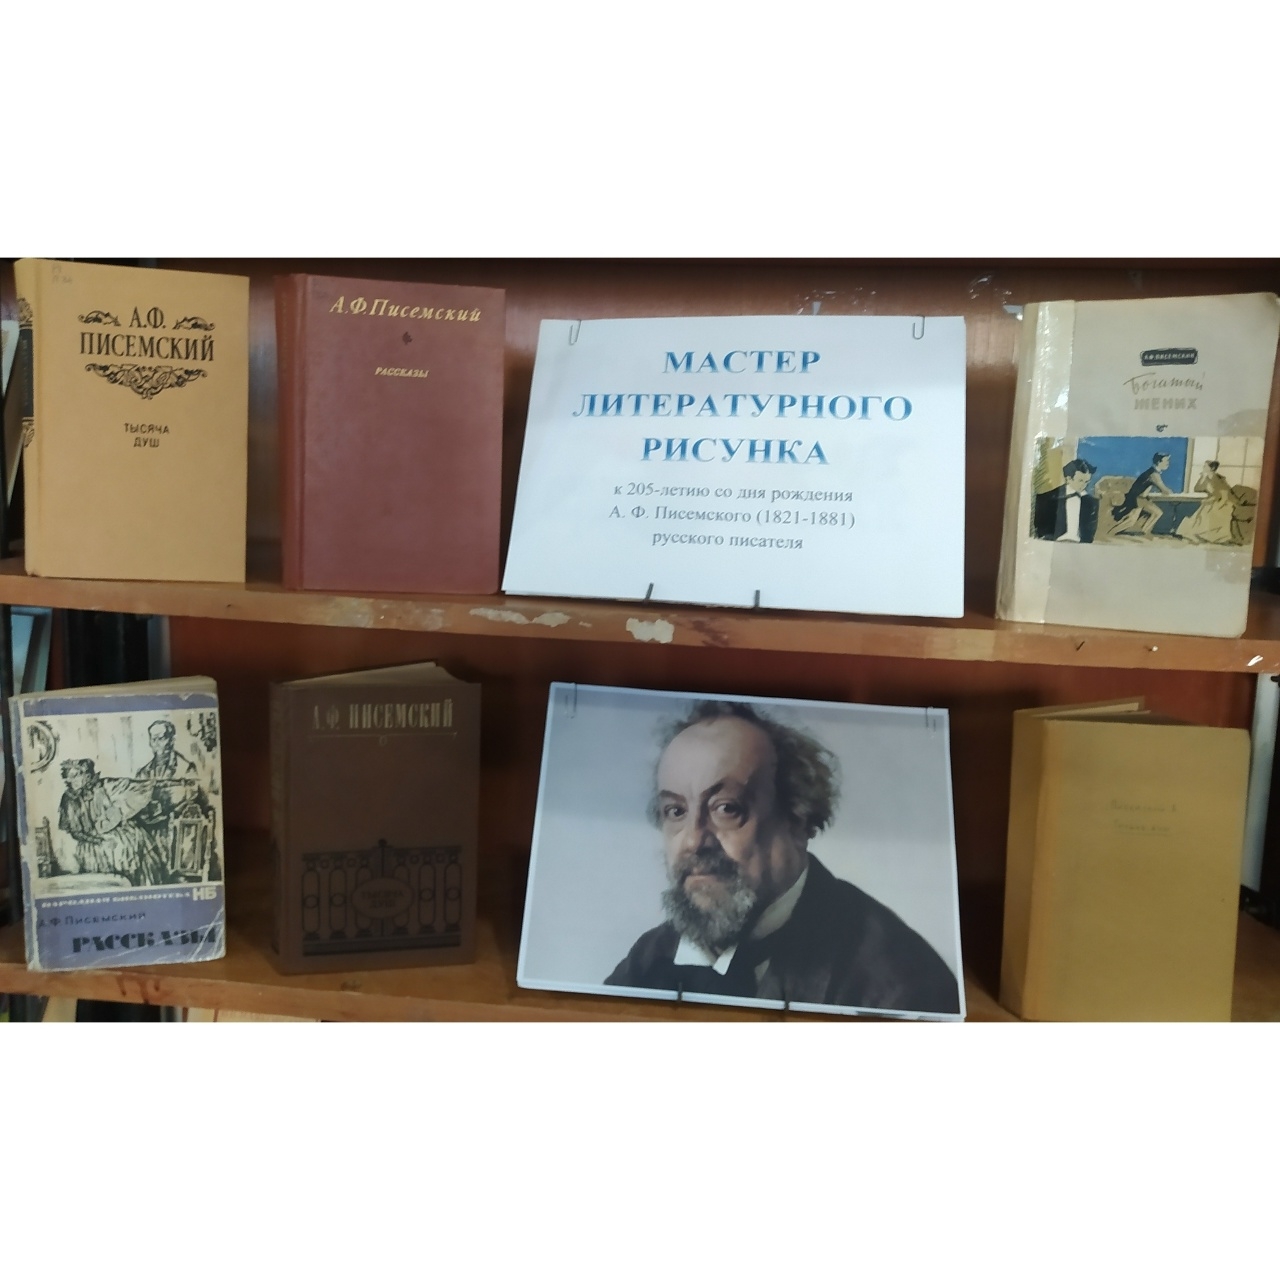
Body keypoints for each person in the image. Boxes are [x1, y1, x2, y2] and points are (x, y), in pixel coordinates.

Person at [605, 701, 961, 1014]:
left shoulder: (900, 986)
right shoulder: (650, 957)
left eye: (726, 808)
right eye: (676, 811)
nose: (694, 840)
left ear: (798, 821)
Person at [56, 758, 169, 887]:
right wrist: (100, 840)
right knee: (116, 854)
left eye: (77, 775)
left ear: (87, 775)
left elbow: (114, 809)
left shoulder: (100, 788)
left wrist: (115, 818)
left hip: (112, 832)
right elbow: (76, 832)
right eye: (69, 777)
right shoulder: (69, 800)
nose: (72, 780)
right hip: (92, 842)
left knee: (136, 840)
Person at [1034, 458, 1099, 543]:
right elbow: (1041, 530)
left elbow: (1090, 534)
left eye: (1087, 482)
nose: (1084, 485)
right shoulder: (1047, 498)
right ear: (1068, 479)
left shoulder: (1091, 502)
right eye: (1080, 481)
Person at [1111, 451, 1174, 538]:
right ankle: (1110, 533)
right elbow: (1165, 490)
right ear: (1159, 462)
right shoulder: (1153, 474)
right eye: (1166, 461)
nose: (1168, 463)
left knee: (1157, 513)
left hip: (1142, 499)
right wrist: (1170, 492)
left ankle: (1143, 532)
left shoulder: (1152, 472)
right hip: (1136, 499)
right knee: (1131, 521)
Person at [1177, 460, 1236, 545]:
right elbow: (1197, 489)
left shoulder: (1219, 479)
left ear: (1211, 468)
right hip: (1212, 501)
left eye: (1205, 466)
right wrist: (1202, 478)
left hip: (1224, 503)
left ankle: (1203, 535)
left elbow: (1224, 496)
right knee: (1200, 513)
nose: (1203, 468)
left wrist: (1214, 504)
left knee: (1209, 513)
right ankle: (1193, 533)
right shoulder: (1206, 478)